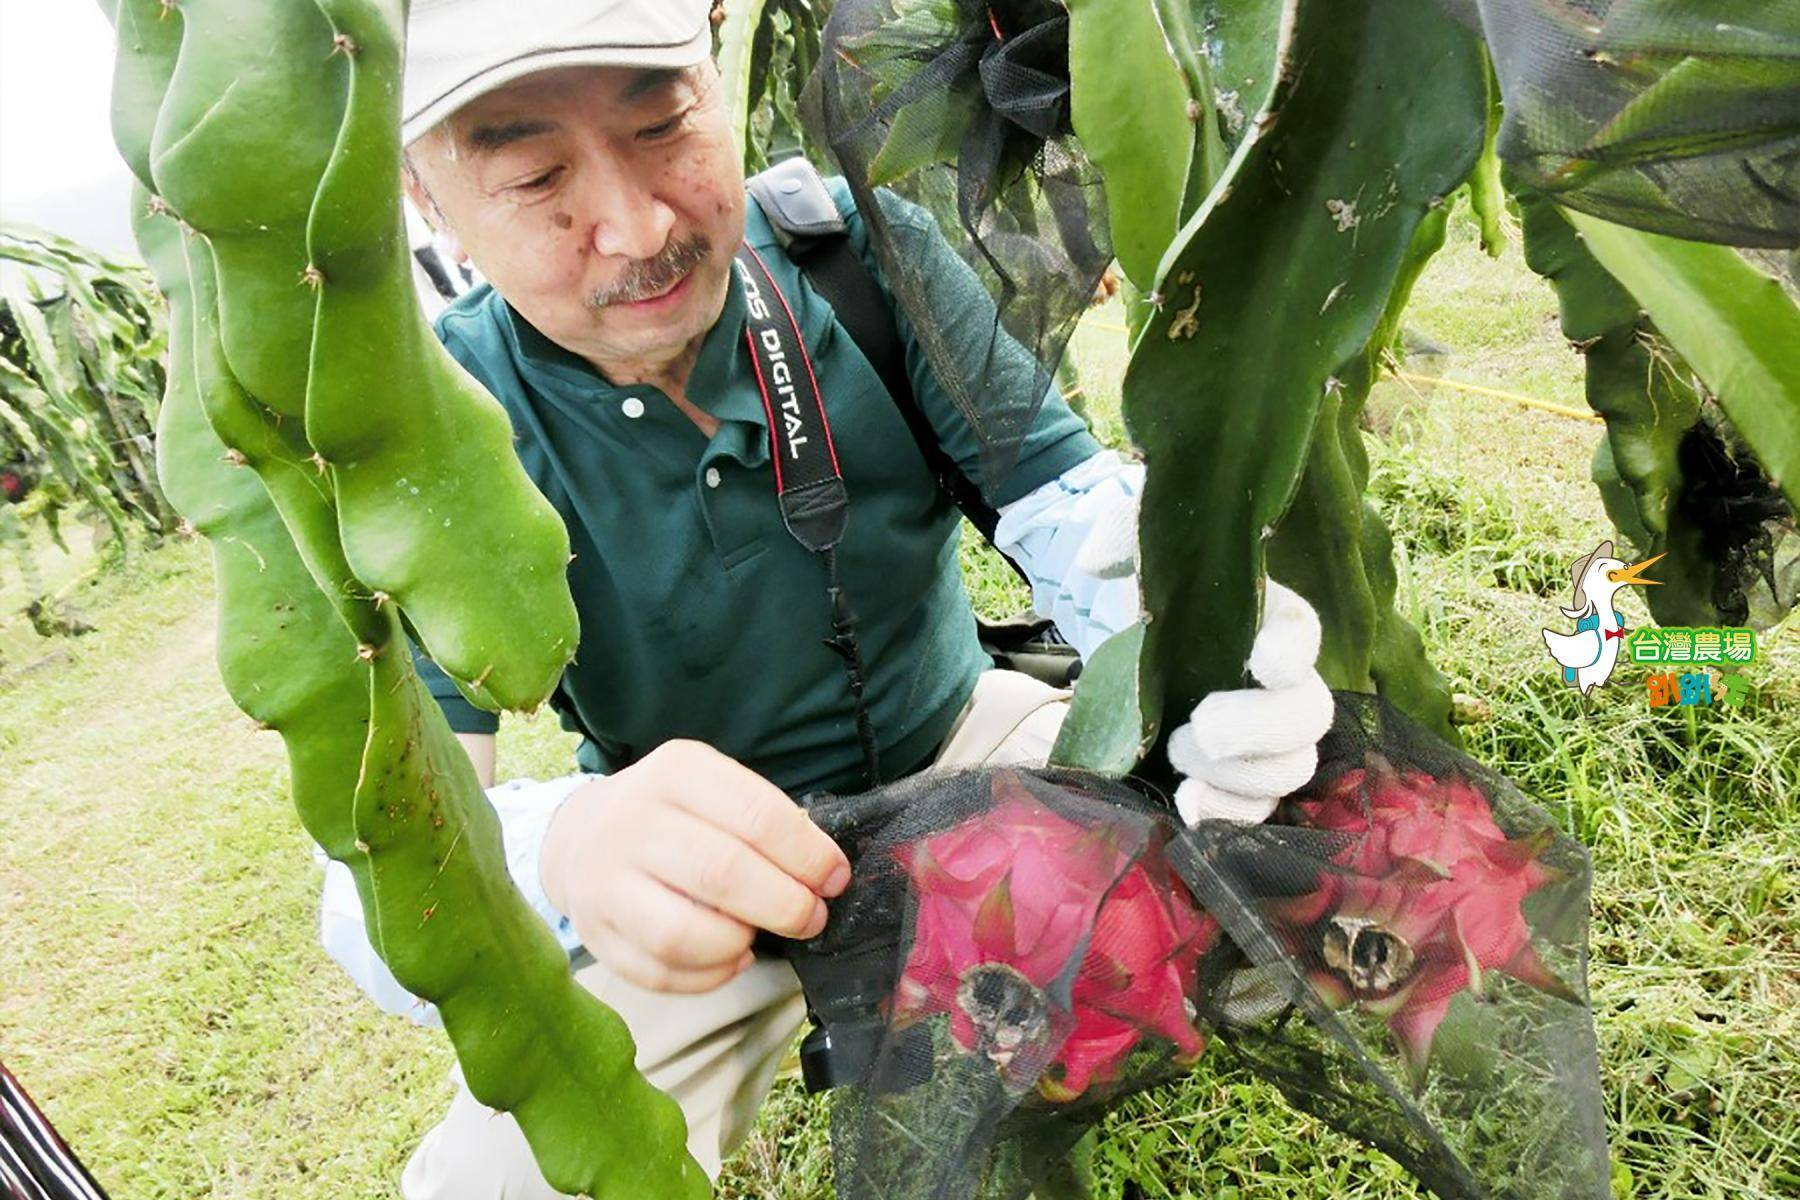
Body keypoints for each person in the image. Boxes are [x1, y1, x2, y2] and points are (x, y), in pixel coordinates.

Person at [319, 2, 1335, 1194]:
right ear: (423, 197)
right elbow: (371, 884)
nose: (638, 225)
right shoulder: (433, 435)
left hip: (962, 744)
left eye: (665, 126)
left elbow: (1073, 515)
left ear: (719, 78)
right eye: (537, 175)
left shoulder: (856, 260)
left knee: (1312, 839)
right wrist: (567, 853)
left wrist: (1202, 615)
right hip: (709, 874)